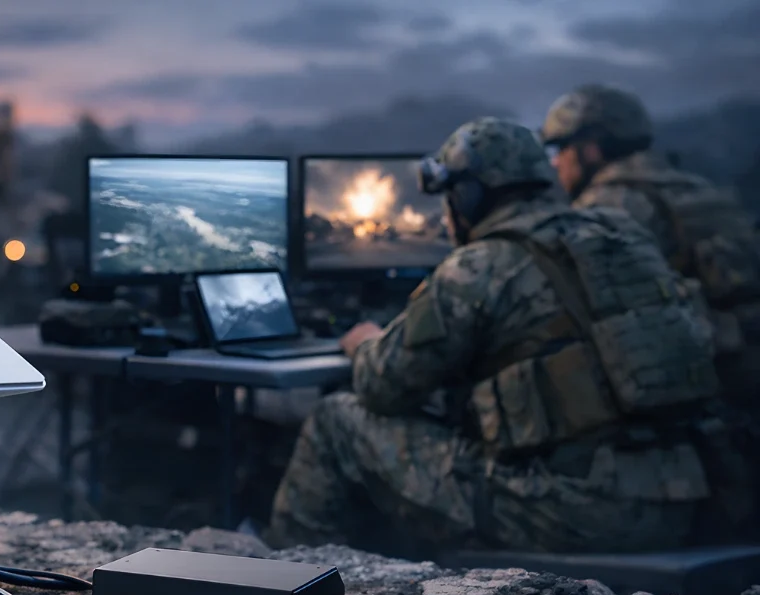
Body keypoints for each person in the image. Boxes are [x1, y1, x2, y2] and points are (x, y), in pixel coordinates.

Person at [267, 117, 755, 555]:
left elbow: (382, 385)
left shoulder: (478, 266)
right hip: (683, 496)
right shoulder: (623, 235)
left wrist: (364, 343)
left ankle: (286, 581)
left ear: (468, 196)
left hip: (572, 513)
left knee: (337, 419)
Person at [540, 84, 760, 414]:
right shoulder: (697, 187)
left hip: (709, 379)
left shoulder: (608, 205)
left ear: (591, 149)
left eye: (561, 149)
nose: (556, 164)